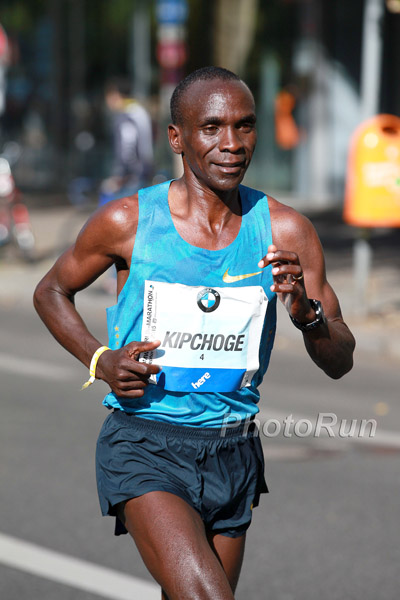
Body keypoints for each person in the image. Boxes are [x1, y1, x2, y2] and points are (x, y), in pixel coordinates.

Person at [34, 66, 355, 600]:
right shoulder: (128, 222)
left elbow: (340, 359)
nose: (231, 144)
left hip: (234, 449)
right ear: (177, 138)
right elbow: (50, 291)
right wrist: (101, 360)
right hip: (146, 443)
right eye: (212, 128)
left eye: (245, 126)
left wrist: (305, 310)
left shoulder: (286, 230)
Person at [99, 76, 154, 205]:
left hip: (131, 178)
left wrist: (119, 176)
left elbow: (127, 147)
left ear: (115, 95)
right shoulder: (139, 111)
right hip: (143, 173)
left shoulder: (126, 115)